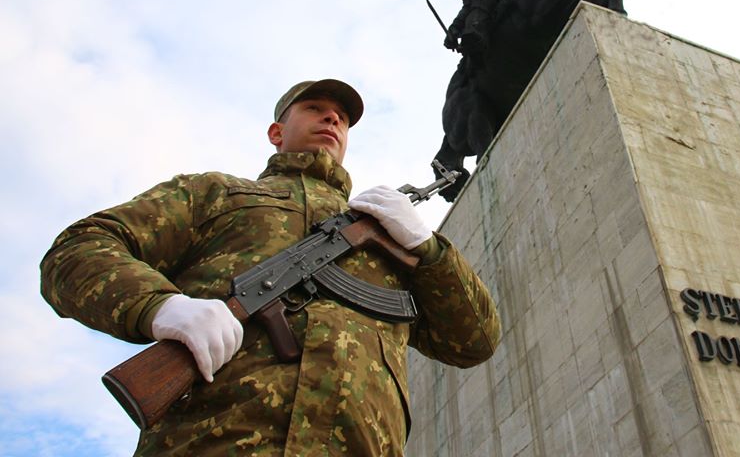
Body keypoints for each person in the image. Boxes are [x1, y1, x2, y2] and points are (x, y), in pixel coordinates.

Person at [40, 79, 501, 456]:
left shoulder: (390, 239)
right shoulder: (217, 194)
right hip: (214, 444)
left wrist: (430, 250)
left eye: (341, 117)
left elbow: (474, 340)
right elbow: (78, 250)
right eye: (315, 108)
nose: (332, 119)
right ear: (277, 133)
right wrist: (161, 307)